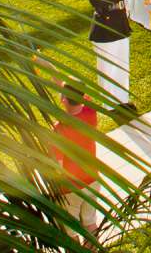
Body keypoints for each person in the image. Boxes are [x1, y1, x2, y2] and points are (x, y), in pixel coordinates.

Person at [82, 0, 151, 108]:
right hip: (104, 32)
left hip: (119, 27)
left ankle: (123, 100)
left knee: (121, 67)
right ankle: (110, 105)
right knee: (108, 69)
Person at [48, 82, 100, 230]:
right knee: (90, 223)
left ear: (63, 99)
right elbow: (83, 95)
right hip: (92, 180)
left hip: (71, 189)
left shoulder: (59, 129)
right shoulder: (90, 112)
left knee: (71, 231)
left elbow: (58, 164)